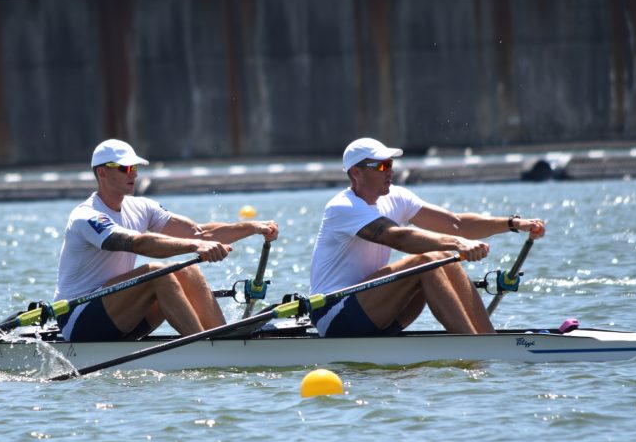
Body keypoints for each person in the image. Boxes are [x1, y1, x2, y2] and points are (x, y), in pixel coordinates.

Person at [308, 137, 546, 337]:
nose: (390, 171)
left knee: (441, 257)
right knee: (426, 261)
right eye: (381, 166)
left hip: (371, 308)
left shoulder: (396, 197)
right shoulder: (342, 207)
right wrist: (457, 243)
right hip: (334, 315)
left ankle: (487, 339)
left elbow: (455, 223)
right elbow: (397, 237)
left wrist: (513, 223)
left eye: (390, 164)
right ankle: (473, 348)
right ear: (356, 172)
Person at [54, 139, 279, 342]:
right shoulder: (87, 216)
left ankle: (223, 338)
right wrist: (195, 247)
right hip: (78, 320)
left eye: (135, 168)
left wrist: (251, 227)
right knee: (157, 273)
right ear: (102, 172)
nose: (133, 174)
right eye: (125, 168)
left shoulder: (141, 207)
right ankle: (203, 347)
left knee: (185, 272)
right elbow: (138, 243)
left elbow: (198, 234)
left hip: (119, 313)